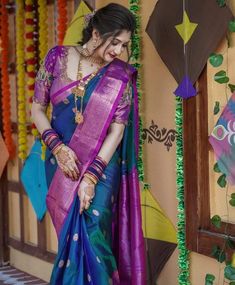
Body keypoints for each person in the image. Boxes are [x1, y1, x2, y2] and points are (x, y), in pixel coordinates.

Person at [31, 3, 146, 284]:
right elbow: (36, 109)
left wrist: (92, 176)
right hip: (61, 166)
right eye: (115, 42)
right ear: (96, 33)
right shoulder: (56, 58)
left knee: (95, 240)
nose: (118, 51)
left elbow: (117, 132)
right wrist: (57, 148)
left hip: (101, 169)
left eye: (124, 45)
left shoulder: (121, 76)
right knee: (69, 243)